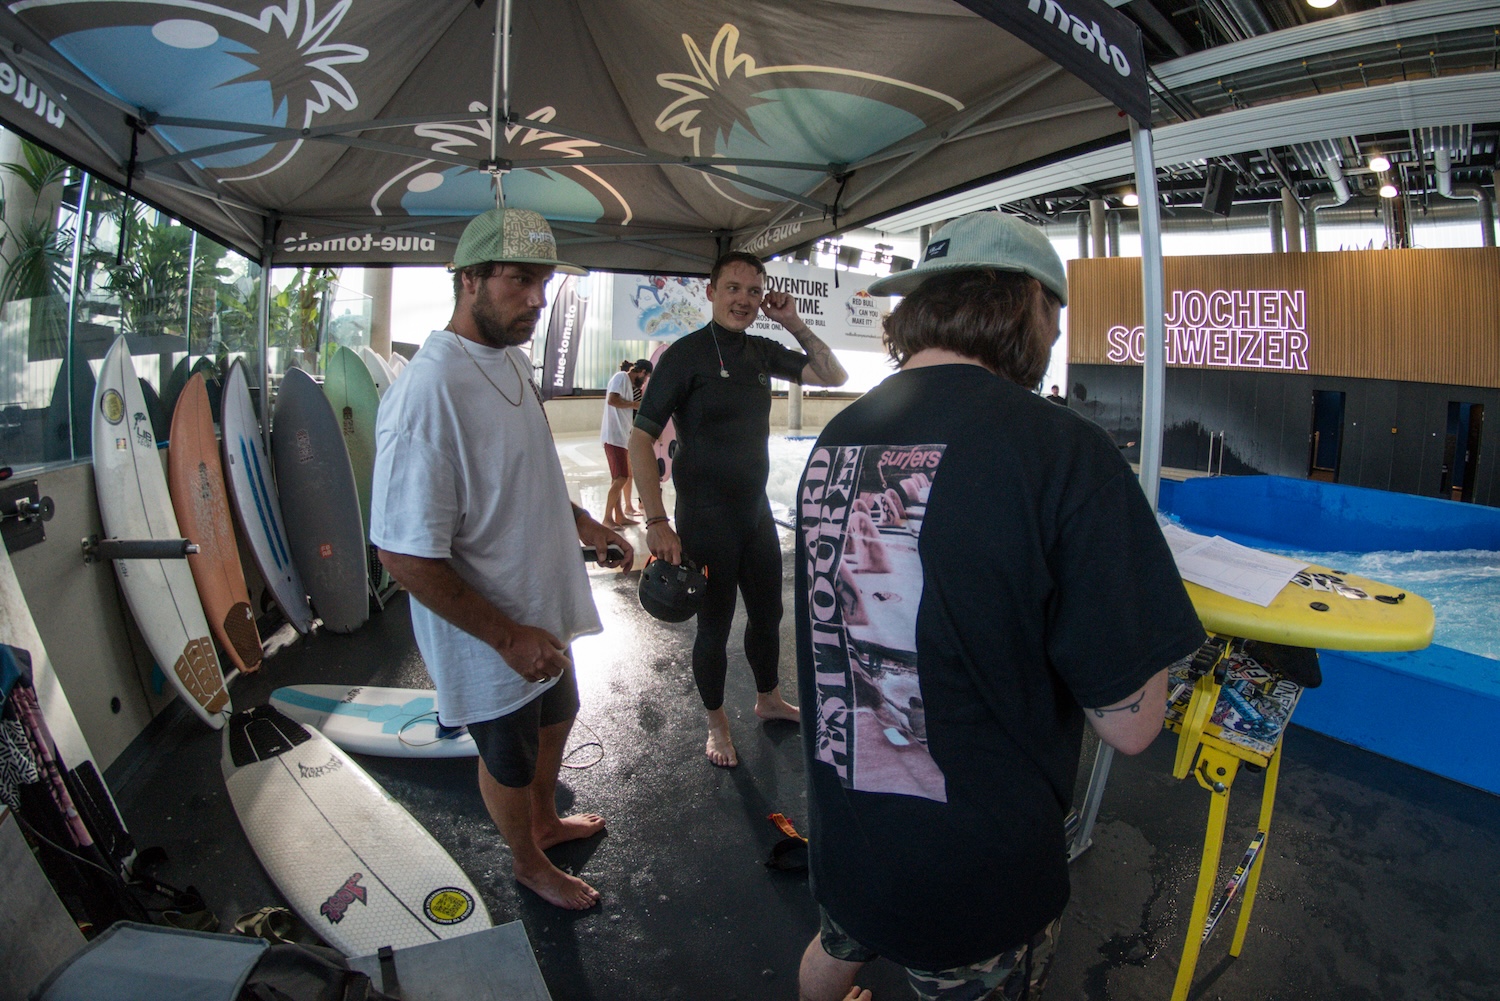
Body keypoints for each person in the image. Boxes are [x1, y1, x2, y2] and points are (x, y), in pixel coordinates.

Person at [792, 212, 1205, 1001]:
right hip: (973, 868)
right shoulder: (1062, 451)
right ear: (1031, 311)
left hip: (849, 829)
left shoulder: (842, 434)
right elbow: (1131, 721)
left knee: (834, 950)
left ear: (918, 306)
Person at [370, 207, 633, 911]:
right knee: (508, 757)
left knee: (557, 717)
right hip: (491, 633)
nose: (538, 300)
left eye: (544, 282)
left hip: (541, 606)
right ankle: (526, 861)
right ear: (469, 280)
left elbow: (527, 471)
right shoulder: (427, 393)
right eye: (521, 280)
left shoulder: (510, 360)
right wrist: (506, 636)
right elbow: (400, 549)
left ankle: (546, 822)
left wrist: (585, 523)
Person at [629, 251, 848, 768]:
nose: (744, 300)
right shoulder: (683, 356)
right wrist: (657, 521)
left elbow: (832, 374)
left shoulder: (758, 351)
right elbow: (640, 439)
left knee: (769, 615)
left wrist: (792, 320)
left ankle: (768, 698)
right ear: (711, 292)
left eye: (754, 291)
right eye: (732, 288)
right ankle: (716, 723)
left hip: (755, 514)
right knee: (715, 624)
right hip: (705, 518)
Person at [600, 358, 653, 528]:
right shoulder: (622, 377)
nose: (643, 382)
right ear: (642, 372)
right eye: (645, 378)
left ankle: (619, 515)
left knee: (620, 477)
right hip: (614, 437)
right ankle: (607, 518)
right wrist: (636, 405)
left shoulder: (627, 384)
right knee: (621, 478)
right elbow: (612, 400)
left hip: (621, 437)